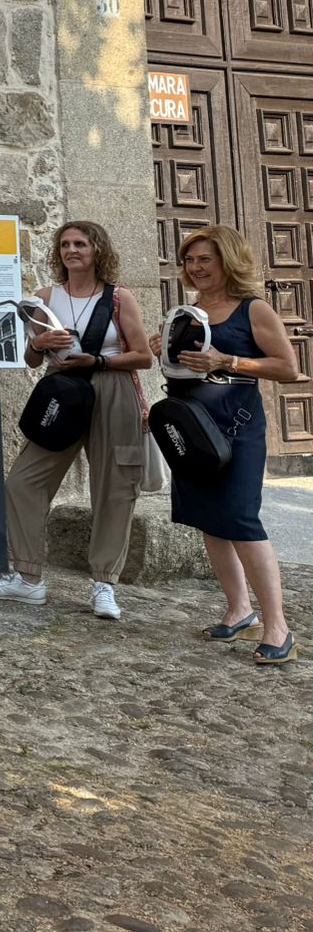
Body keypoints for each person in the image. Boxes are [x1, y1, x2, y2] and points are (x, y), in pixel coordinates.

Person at [0, 220, 151, 620]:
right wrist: (38, 343)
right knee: (22, 481)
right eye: (65, 244)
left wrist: (99, 360)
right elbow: (30, 360)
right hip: (63, 392)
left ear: (97, 250)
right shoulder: (44, 297)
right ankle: (28, 578)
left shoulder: (119, 297)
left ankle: (104, 584)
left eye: (81, 244)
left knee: (114, 487)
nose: (72, 250)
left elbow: (143, 356)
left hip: (113, 390)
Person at [151, 225, 296, 665]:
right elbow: (181, 369)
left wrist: (228, 360)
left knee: (240, 520)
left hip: (237, 427)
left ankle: (278, 628)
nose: (195, 268)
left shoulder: (254, 309)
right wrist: (163, 349)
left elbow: (287, 368)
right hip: (193, 428)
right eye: (189, 261)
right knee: (209, 520)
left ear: (227, 261)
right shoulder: (187, 312)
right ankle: (239, 611)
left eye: (204, 260)